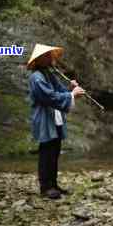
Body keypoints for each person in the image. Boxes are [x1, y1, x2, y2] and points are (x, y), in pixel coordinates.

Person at [27, 44, 86, 199]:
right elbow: (49, 97)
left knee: (54, 151)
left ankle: (53, 184)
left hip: (54, 118)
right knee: (46, 152)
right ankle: (45, 187)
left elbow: (60, 92)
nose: (51, 58)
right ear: (39, 60)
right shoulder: (36, 77)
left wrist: (70, 89)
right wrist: (72, 95)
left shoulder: (48, 74)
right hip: (44, 119)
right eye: (47, 56)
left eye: (50, 56)